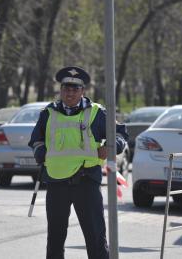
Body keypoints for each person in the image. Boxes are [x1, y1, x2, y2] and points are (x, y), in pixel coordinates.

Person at [29, 66, 128, 259]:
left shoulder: (96, 113)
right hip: (56, 183)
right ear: (61, 90)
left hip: (86, 181)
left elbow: (121, 134)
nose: (70, 92)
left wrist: (110, 146)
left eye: (75, 89)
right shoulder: (48, 113)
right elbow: (36, 140)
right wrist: (40, 152)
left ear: (83, 91)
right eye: (66, 88)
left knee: (95, 238)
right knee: (55, 240)